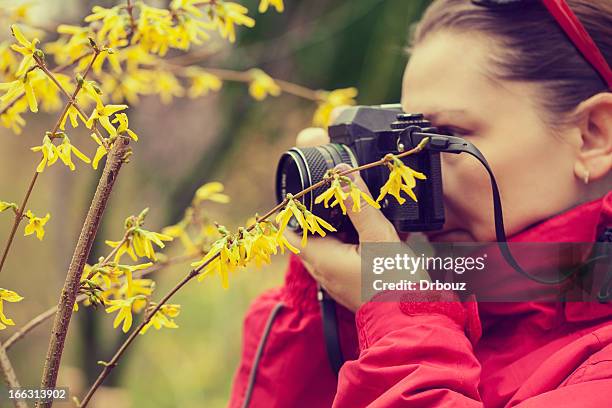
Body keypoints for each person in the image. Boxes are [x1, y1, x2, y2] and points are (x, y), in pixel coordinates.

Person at [229, 0, 612, 406]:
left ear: (593, 135)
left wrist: (401, 315)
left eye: (445, 138)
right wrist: (336, 303)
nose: (411, 179)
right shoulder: (452, 303)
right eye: (407, 141)